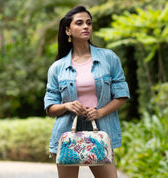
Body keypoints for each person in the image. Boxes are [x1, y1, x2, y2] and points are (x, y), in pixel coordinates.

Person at [44, 5, 130, 178]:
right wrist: (67, 105)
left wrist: (99, 113)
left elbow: (122, 95)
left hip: (99, 131)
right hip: (68, 134)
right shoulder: (57, 68)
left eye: (89, 23)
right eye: (80, 23)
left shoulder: (109, 58)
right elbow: (50, 109)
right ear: (68, 30)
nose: (86, 27)